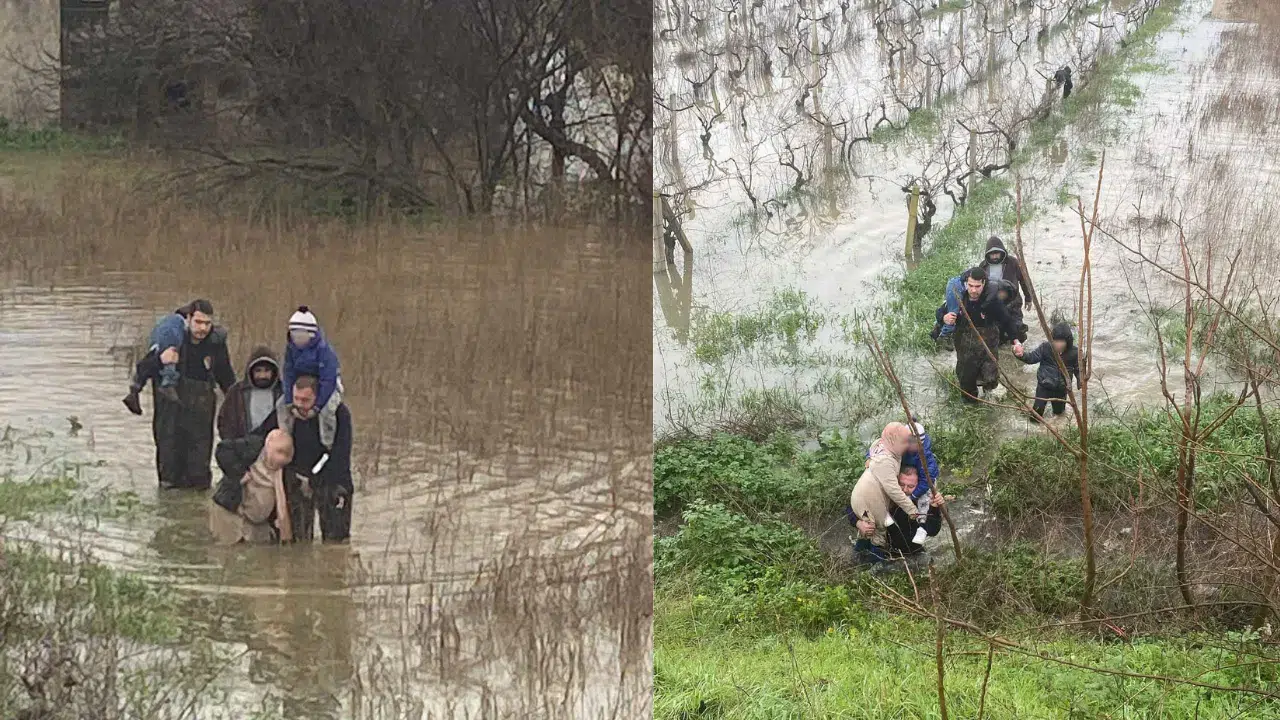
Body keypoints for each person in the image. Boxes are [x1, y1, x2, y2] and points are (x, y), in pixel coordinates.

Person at [129, 299, 237, 489]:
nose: (203, 328)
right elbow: (143, 369)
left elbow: (226, 377)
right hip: (169, 416)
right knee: (169, 475)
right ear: (188, 319)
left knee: (199, 476)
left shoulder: (216, 343)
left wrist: (237, 404)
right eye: (198, 322)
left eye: (207, 323)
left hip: (200, 418)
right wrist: (160, 360)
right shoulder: (171, 336)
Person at [250, 374, 354, 543]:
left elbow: (340, 457)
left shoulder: (339, 414)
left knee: (336, 543)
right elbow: (260, 437)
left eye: (305, 400)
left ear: (318, 398)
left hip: (333, 480)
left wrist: (316, 480)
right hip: (298, 478)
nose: (299, 405)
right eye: (296, 399)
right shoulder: (288, 411)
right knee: (299, 541)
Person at [942, 267, 1022, 403]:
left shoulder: (992, 301)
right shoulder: (959, 297)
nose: (973, 290)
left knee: (990, 379)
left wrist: (1016, 342)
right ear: (966, 283)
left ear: (984, 284)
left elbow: (1007, 321)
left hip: (988, 344)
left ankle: (989, 401)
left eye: (977, 286)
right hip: (965, 345)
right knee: (966, 381)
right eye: (971, 286)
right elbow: (940, 313)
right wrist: (944, 318)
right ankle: (970, 407)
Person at [848, 423, 921, 562]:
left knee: (870, 529)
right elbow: (893, 490)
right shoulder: (885, 461)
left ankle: (858, 556)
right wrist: (911, 509)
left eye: (909, 441)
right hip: (869, 499)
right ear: (892, 441)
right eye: (904, 442)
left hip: (865, 497)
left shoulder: (882, 449)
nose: (907, 445)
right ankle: (877, 565)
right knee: (878, 531)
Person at [209, 429, 294, 544]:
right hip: (230, 511)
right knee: (227, 552)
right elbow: (222, 449)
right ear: (268, 446)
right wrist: (239, 473)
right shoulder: (252, 446)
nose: (280, 460)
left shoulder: (285, 471)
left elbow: (283, 507)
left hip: (257, 523)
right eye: (278, 452)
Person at [282, 306, 344, 450]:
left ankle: (327, 443)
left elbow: (328, 379)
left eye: (300, 336)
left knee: (328, 411)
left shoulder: (324, 351)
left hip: (327, 385)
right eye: (294, 335)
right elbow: (288, 373)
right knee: (280, 406)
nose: (296, 339)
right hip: (301, 386)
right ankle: (285, 438)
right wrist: (289, 401)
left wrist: (317, 407)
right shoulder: (291, 349)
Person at [122, 300, 201, 413]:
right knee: (170, 355)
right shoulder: (178, 325)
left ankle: (135, 389)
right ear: (188, 317)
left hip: (156, 347)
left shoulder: (164, 322)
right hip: (173, 410)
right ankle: (167, 384)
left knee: (150, 360)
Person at [1013, 322, 1081, 421]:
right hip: (1044, 385)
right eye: (1055, 340)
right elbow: (1031, 358)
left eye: (1061, 341)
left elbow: (1078, 369)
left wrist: (1080, 380)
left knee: (1059, 414)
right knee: (1036, 415)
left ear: (1068, 341)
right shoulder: (1045, 347)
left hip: (1061, 389)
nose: (1058, 344)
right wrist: (1021, 354)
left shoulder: (1074, 352)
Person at [864, 418, 939, 504]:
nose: (904, 445)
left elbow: (926, 481)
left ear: (918, 443)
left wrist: (912, 496)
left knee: (925, 500)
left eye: (909, 442)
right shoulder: (899, 443)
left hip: (917, 482)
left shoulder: (926, 458)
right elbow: (880, 446)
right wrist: (870, 457)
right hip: (903, 475)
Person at [217, 345, 284, 441]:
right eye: (258, 371)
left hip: (274, 447)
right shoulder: (237, 392)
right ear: (251, 371)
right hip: (242, 447)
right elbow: (224, 421)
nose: (262, 375)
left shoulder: (282, 392)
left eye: (267, 371)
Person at [977, 235, 1035, 311]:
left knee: (1015, 323)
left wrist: (1028, 298)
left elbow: (1023, 280)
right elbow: (978, 286)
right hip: (992, 305)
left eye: (997, 253)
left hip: (1013, 304)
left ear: (1002, 252)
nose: (994, 257)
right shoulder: (983, 266)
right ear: (987, 254)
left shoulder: (1013, 262)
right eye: (992, 254)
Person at [991, 279, 1029, 345]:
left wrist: (1018, 327)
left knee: (1021, 334)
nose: (1002, 296)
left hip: (1006, 325)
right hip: (993, 326)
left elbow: (1016, 316)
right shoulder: (989, 296)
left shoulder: (1013, 301)